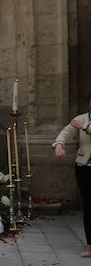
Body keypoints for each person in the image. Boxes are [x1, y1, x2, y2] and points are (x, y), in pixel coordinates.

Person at [53, 94, 91, 257]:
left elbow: (85, 127)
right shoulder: (81, 119)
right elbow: (65, 132)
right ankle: (90, 245)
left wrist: (86, 126)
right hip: (84, 168)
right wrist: (59, 145)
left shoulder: (84, 122)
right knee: (89, 207)